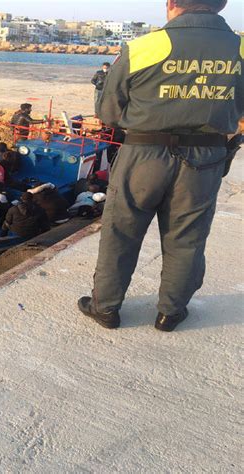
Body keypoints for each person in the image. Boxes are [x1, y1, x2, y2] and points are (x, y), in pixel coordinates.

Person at [78, 0, 243, 332]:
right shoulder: (240, 48)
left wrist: (102, 86)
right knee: (188, 236)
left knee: (120, 233)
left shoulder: (142, 48)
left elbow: (109, 113)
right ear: (221, 5)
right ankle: (171, 311)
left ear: (170, 3)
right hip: (205, 158)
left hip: (143, 154)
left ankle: (106, 307)